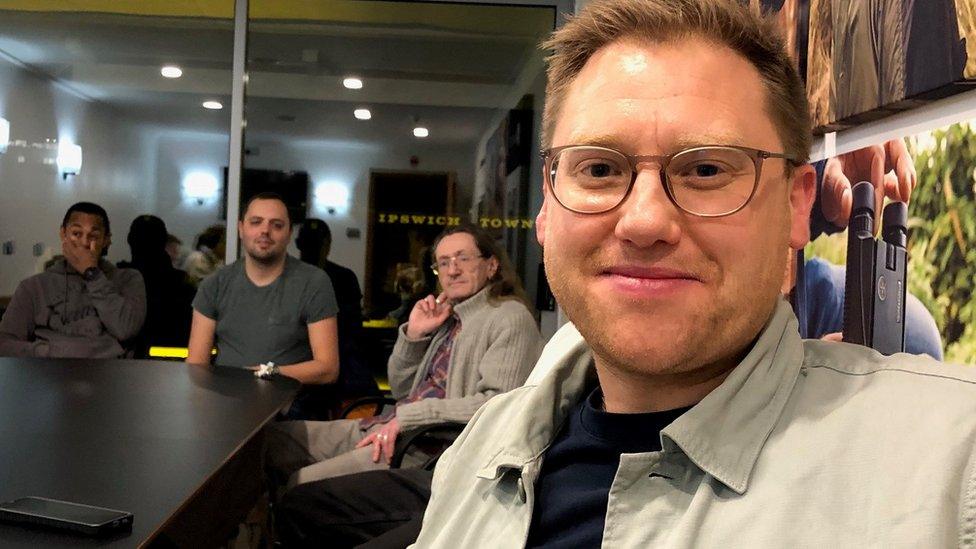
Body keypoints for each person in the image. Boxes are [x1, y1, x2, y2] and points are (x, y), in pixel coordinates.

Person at [411, 1, 976, 546]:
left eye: (707, 169)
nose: (645, 220)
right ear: (547, 205)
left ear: (797, 206)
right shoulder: (474, 457)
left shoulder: (948, 467)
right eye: (600, 169)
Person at [265, 225, 543, 489]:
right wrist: (414, 333)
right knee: (270, 442)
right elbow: (400, 389)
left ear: (491, 265)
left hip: (424, 449)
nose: (453, 270)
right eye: (443, 263)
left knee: (303, 483)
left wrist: (409, 418)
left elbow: (495, 405)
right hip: (390, 427)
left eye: (463, 258)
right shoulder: (448, 316)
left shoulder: (509, 317)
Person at [186, 192, 339, 389]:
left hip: (288, 404)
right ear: (241, 229)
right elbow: (196, 366)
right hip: (225, 402)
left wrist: (267, 373)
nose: (265, 231)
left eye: (277, 225)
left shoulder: (314, 282)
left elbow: (328, 369)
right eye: (256, 222)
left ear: (289, 233)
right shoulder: (215, 284)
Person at [0, 202, 146, 358]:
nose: (84, 243)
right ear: (63, 234)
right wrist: (46, 352)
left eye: (94, 236)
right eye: (77, 234)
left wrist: (92, 273)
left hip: (108, 371)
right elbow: (5, 343)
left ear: (106, 240)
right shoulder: (33, 287)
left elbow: (126, 330)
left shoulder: (128, 279)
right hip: (49, 371)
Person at [296, 218, 377, 406]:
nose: (314, 249)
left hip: (340, 371)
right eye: (311, 243)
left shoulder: (343, 278)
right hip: (304, 370)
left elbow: (352, 328)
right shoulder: (289, 279)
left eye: (315, 243)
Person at [117, 215, 196, 358]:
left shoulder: (119, 280)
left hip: (128, 361)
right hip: (174, 363)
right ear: (164, 242)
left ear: (130, 241)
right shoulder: (182, 283)